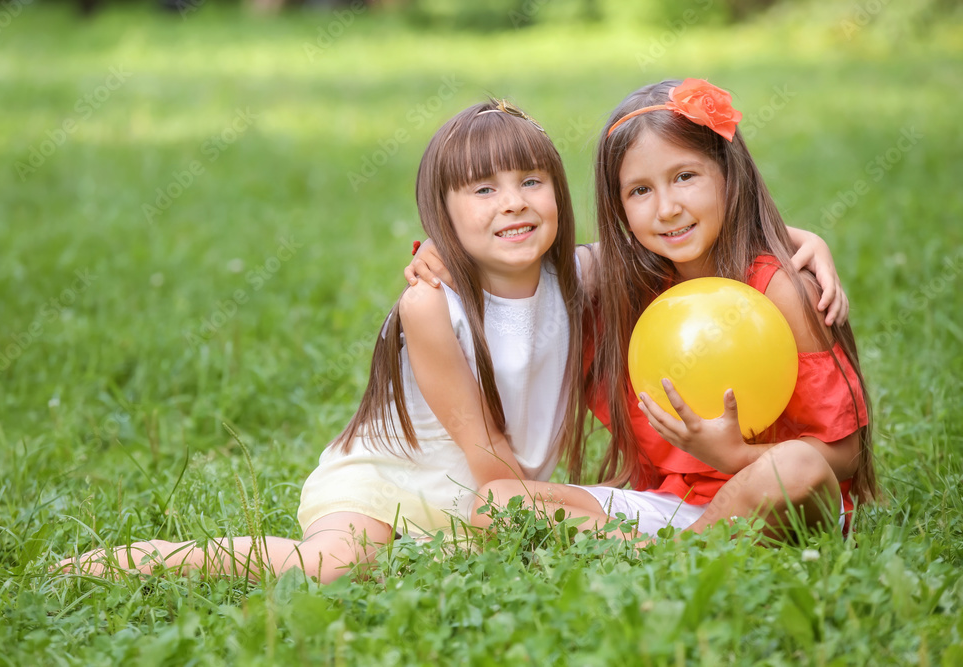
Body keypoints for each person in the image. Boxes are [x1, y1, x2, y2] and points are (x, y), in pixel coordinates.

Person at [56, 99, 591, 584]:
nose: (513, 202)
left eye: (531, 181)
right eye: (483, 189)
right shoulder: (431, 305)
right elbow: (486, 451)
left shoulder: (579, 277)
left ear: (558, 192)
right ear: (442, 213)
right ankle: (150, 559)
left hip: (484, 500)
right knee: (334, 566)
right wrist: (544, 518)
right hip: (391, 483)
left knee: (437, 572)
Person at [409, 79, 872, 541]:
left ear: (730, 176)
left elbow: (842, 456)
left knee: (797, 465)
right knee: (499, 503)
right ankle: (683, 550)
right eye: (640, 191)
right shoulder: (619, 286)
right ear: (619, 208)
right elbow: (515, 257)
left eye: (685, 177)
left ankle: (675, 553)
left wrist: (733, 456)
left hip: (777, 498)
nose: (667, 208)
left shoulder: (782, 292)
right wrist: (444, 246)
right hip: (670, 507)